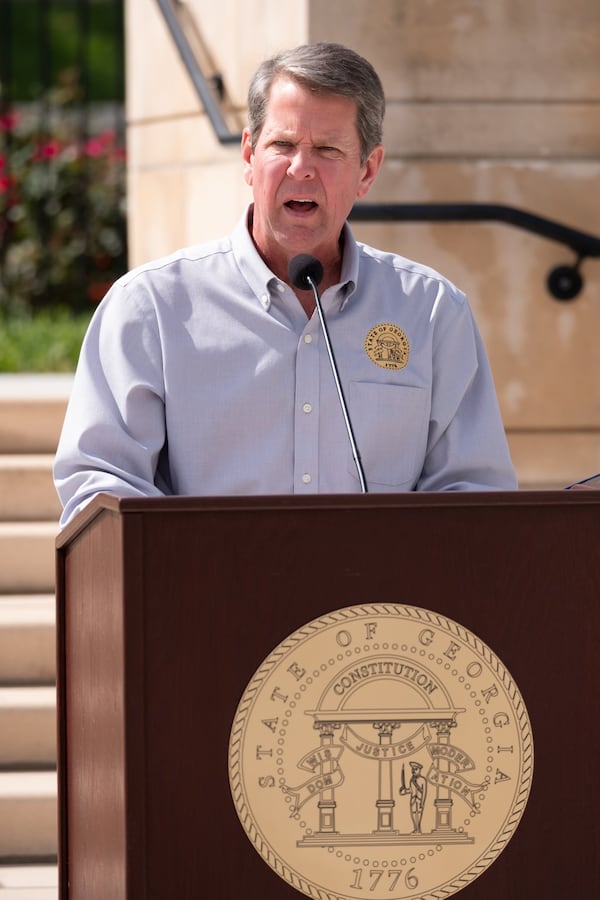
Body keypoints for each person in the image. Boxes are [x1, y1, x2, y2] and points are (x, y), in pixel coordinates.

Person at [53, 42, 517, 527]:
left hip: (373, 602)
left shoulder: (431, 312)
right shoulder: (150, 307)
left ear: (368, 171)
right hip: (208, 597)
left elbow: (474, 495)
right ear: (250, 155)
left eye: (327, 149)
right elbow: (100, 486)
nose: (301, 167)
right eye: (283, 145)